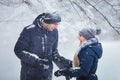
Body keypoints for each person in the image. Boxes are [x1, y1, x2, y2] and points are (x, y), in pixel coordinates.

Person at [14, 12, 72, 80]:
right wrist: (36, 61)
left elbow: (53, 52)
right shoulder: (29, 30)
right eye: (55, 24)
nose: (56, 27)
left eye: (58, 24)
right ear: (47, 22)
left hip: (47, 75)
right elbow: (18, 50)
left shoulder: (54, 32)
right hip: (30, 75)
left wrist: (63, 64)